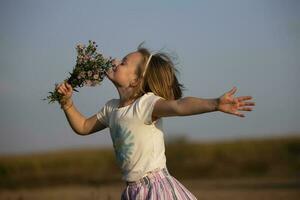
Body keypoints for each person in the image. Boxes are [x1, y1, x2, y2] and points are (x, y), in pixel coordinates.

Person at [56, 42, 255, 200]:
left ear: (135, 80)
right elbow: (82, 127)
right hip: (133, 192)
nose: (116, 61)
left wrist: (215, 104)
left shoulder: (145, 104)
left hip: (156, 190)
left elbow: (179, 106)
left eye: (124, 62)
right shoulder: (111, 108)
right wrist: (67, 104)